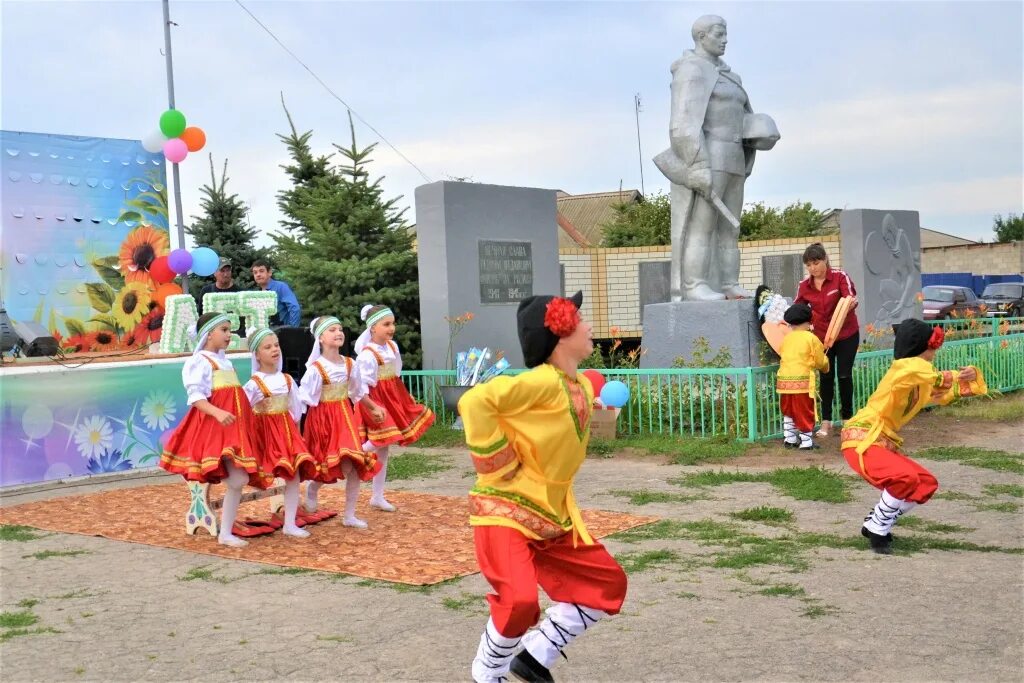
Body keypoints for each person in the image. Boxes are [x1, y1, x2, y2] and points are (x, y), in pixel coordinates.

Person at [459, 291, 627, 683]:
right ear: (561, 331)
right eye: (581, 319)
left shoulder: (579, 384)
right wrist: (496, 460)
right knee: (518, 602)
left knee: (606, 585)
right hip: (506, 507)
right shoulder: (541, 381)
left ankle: (535, 656)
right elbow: (475, 402)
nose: (589, 326)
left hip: (552, 513)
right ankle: (488, 672)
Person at [654, 14, 779, 301]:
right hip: (709, 156)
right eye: (719, 34)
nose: (725, 40)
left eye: (725, 34)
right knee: (703, 224)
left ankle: (728, 282)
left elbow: (743, 116)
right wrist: (697, 164)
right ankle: (694, 285)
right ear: (701, 36)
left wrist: (760, 132)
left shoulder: (731, 77)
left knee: (730, 226)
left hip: (734, 157)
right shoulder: (690, 70)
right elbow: (682, 123)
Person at [840, 319, 986, 554]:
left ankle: (875, 522)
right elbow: (937, 378)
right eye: (933, 346)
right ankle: (878, 527)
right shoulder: (906, 368)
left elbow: (943, 390)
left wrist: (969, 375)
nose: (935, 351)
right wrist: (960, 375)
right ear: (922, 347)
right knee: (905, 477)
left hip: (881, 441)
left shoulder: (920, 378)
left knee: (925, 483)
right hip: (862, 438)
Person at [159, 313, 273, 548]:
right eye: (224, 329)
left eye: (229, 330)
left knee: (239, 478)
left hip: (233, 428)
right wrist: (218, 413)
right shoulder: (200, 361)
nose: (229, 335)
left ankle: (226, 532)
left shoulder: (224, 361)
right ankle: (225, 531)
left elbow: (233, 396)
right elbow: (197, 397)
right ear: (208, 333)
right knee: (238, 478)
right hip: (215, 429)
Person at [299, 316, 380, 529]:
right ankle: (313, 488)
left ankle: (350, 515)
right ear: (321, 338)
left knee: (352, 465)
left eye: (340, 329)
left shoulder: (350, 364)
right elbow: (304, 400)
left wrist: (373, 408)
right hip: (322, 421)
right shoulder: (316, 369)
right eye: (332, 329)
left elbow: (358, 392)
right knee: (326, 464)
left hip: (344, 417)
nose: (338, 333)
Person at [354, 304, 435, 513]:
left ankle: (377, 496)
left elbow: (396, 371)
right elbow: (360, 386)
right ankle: (353, 454)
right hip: (375, 400)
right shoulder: (367, 355)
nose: (391, 328)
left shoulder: (392, 347)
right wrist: (372, 407)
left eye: (392, 324)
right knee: (383, 438)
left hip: (392, 395)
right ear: (372, 327)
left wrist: (401, 397)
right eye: (386, 324)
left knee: (384, 448)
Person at [242, 327, 319, 539]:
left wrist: (297, 435)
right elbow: (243, 412)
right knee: (254, 474)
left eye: (276, 345)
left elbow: (296, 411)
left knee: (293, 475)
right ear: (257, 355)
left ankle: (290, 523)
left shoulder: (286, 380)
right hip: (265, 436)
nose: (274, 349)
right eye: (267, 347)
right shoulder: (253, 384)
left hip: (286, 433)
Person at [794, 242, 859, 437]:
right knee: (826, 377)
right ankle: (826, 422)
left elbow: (850, 297)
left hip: (846, 334)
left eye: (816, 263)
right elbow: (798, 310)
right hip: (822, 339)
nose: (813, 268)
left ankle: (847, 419)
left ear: (825, 260)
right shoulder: (804, 286)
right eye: (809, 265)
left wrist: (850, 304)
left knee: (844, 375)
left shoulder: (840, 277)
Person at [776, 303, 829, 449]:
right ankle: (806, 442)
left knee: (788, 411)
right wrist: (826, 366)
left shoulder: (786, 339)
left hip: (784, 383)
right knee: (804, 411)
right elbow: (819, 361)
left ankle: (790, 439)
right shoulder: (811, 338)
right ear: (808, 322)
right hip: (802, 382)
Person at [198, 257, 243, 334]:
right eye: (222, 271)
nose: (225, 274)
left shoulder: (240, 292)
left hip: (236, 336)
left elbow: (244, 319)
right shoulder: (206, 291)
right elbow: (201, 316)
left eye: (228, 270)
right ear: (214, 273)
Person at [251, 259, 301, 327]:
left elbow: (294, 307)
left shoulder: (280, 286)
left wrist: (292, 330)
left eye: (261, 271)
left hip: (283, 333)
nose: (258, 274)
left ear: (269, 272)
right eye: (255, 272)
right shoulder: (258, 293)